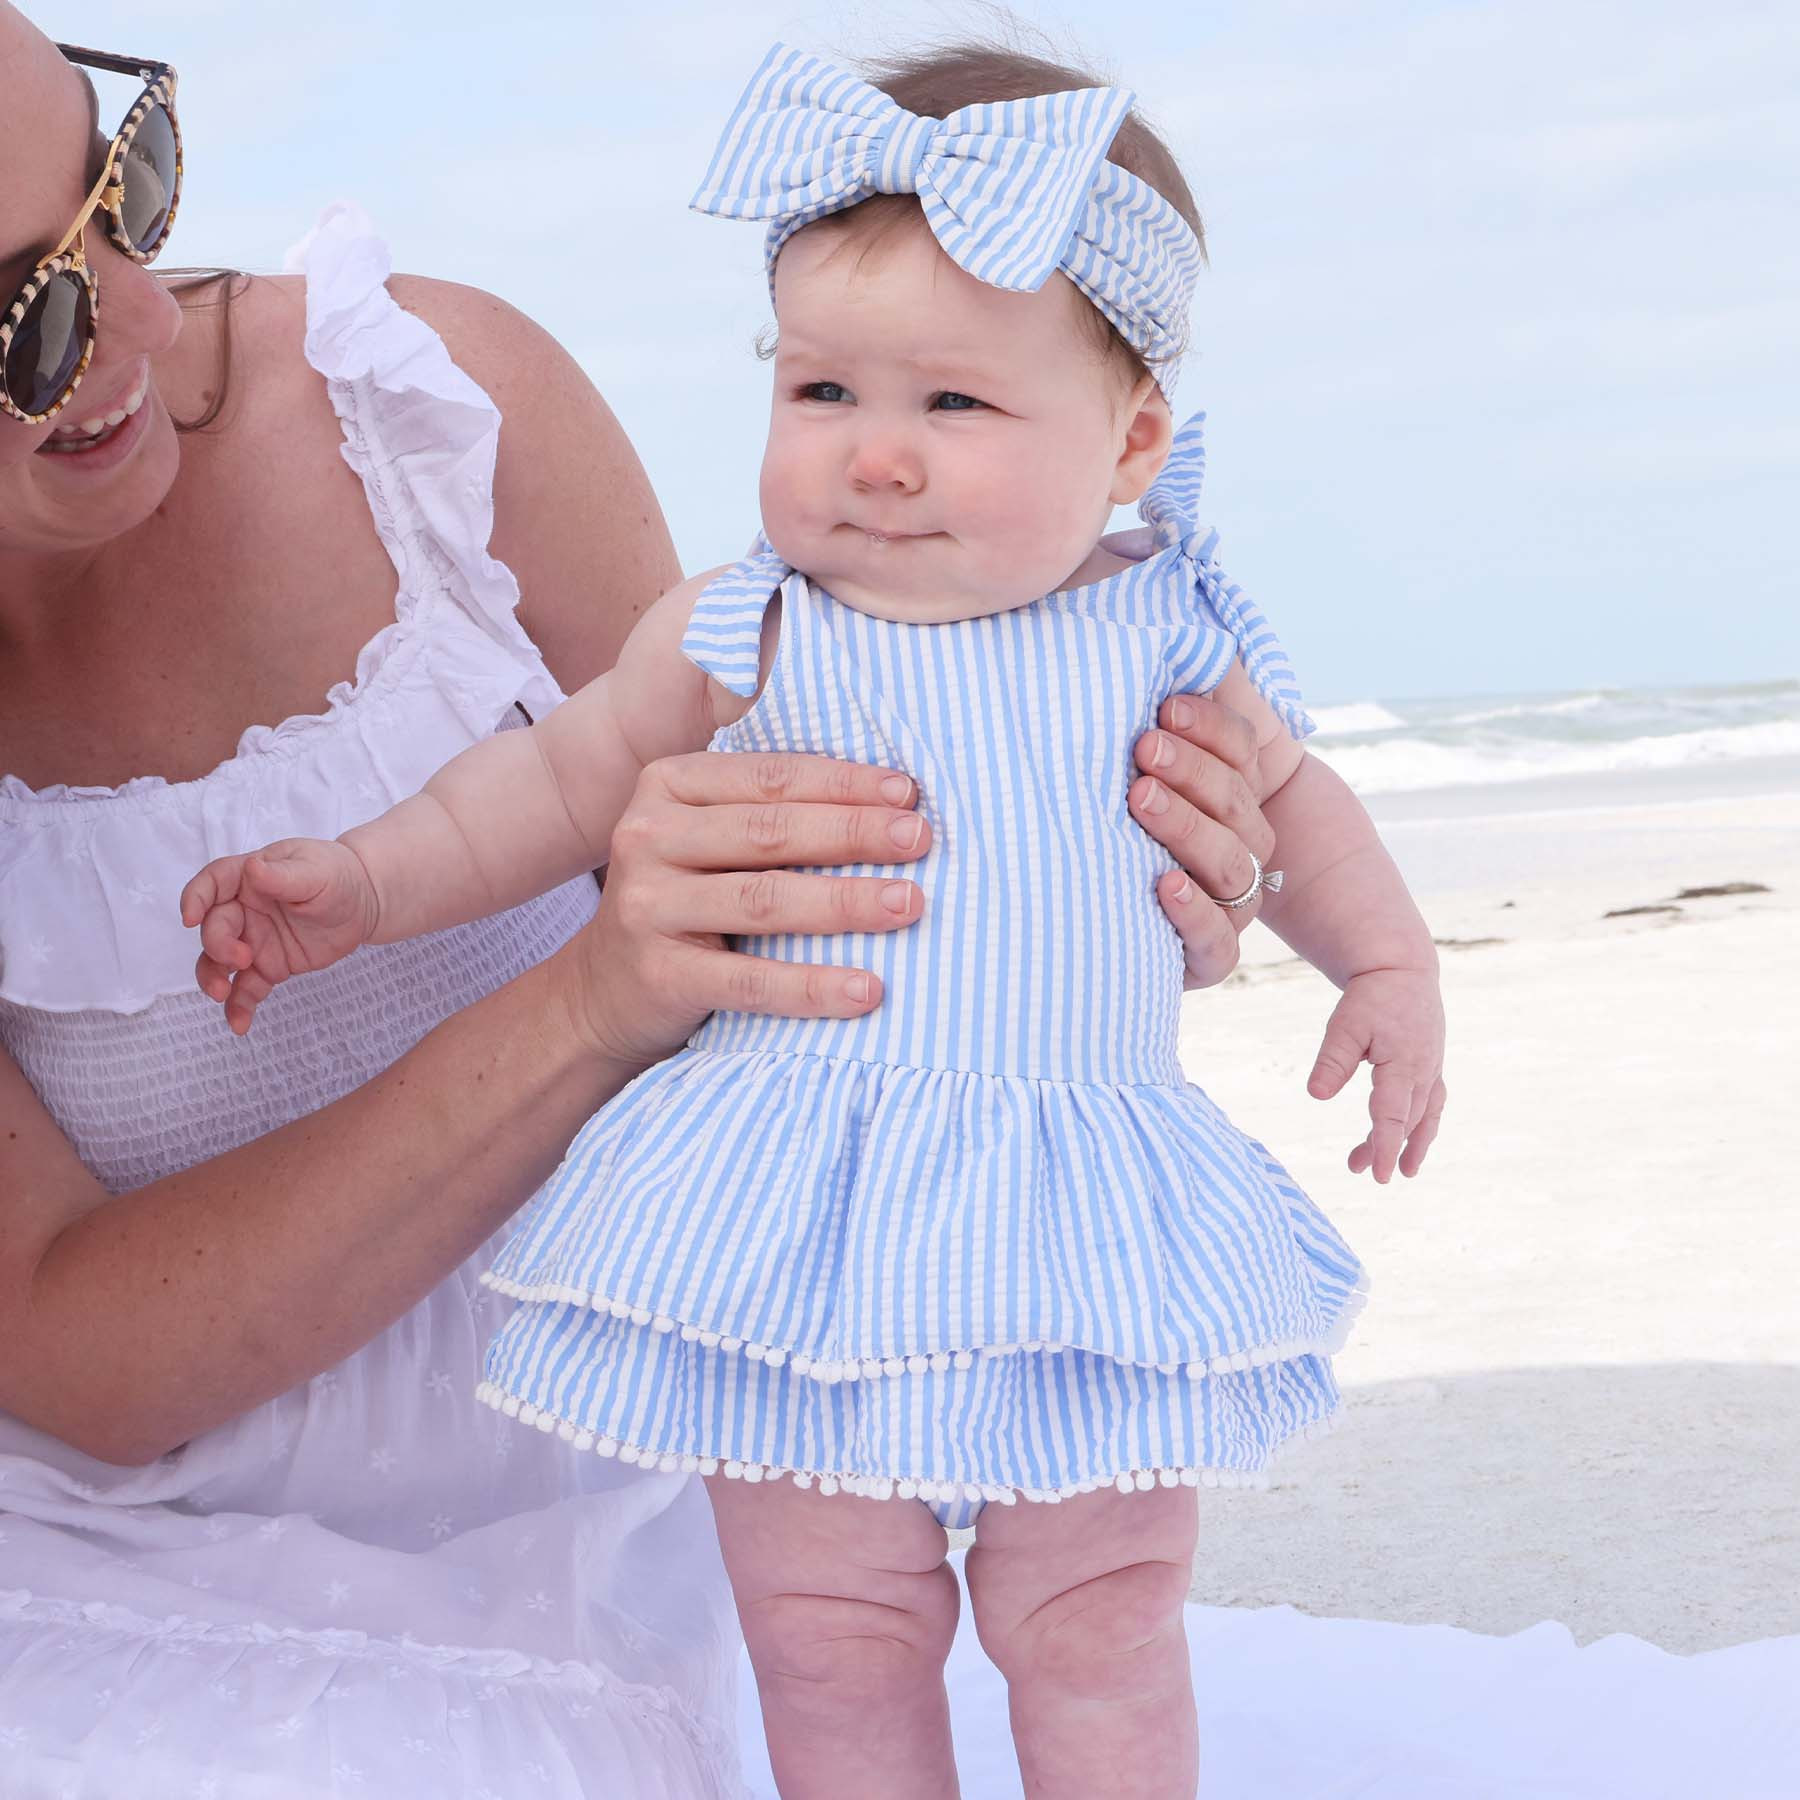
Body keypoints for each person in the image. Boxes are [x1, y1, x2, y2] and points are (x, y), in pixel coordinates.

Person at [0, 15, 1279, 1797]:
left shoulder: (426, 406)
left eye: (125, 182)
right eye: (27, 314)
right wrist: (550, 972)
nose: (138, 315)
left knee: (1063, 1623)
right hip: (92, 1525)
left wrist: (1170, 877)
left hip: (602, 1438)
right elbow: (72, 1350)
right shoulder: (738, 617)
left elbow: (716, 822)